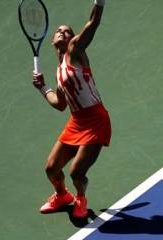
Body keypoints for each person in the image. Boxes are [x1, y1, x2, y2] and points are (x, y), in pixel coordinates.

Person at [32, 0, 110, 219]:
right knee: (51, 168)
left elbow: (93, 22)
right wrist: (43, 87)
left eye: (67, 32)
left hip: (96, 120)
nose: (62, 32)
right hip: (76, 122)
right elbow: (60, 104)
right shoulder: (59, 71)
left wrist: (99, 2)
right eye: (58, 31)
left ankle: (81, 198)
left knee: (77, 172)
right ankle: (62, 195)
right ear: (52, 40)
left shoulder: (75, 51)